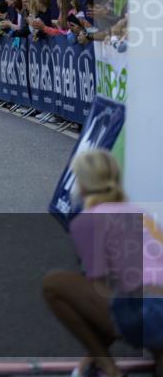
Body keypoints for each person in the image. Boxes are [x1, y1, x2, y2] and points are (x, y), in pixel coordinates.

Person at [42, 149, 163, 377]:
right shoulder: (142, 215)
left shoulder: (89, 221)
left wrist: (96, 355)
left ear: (82, 185)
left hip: (147, 312)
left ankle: (108, 369)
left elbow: (101, 298)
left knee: (54, 283)